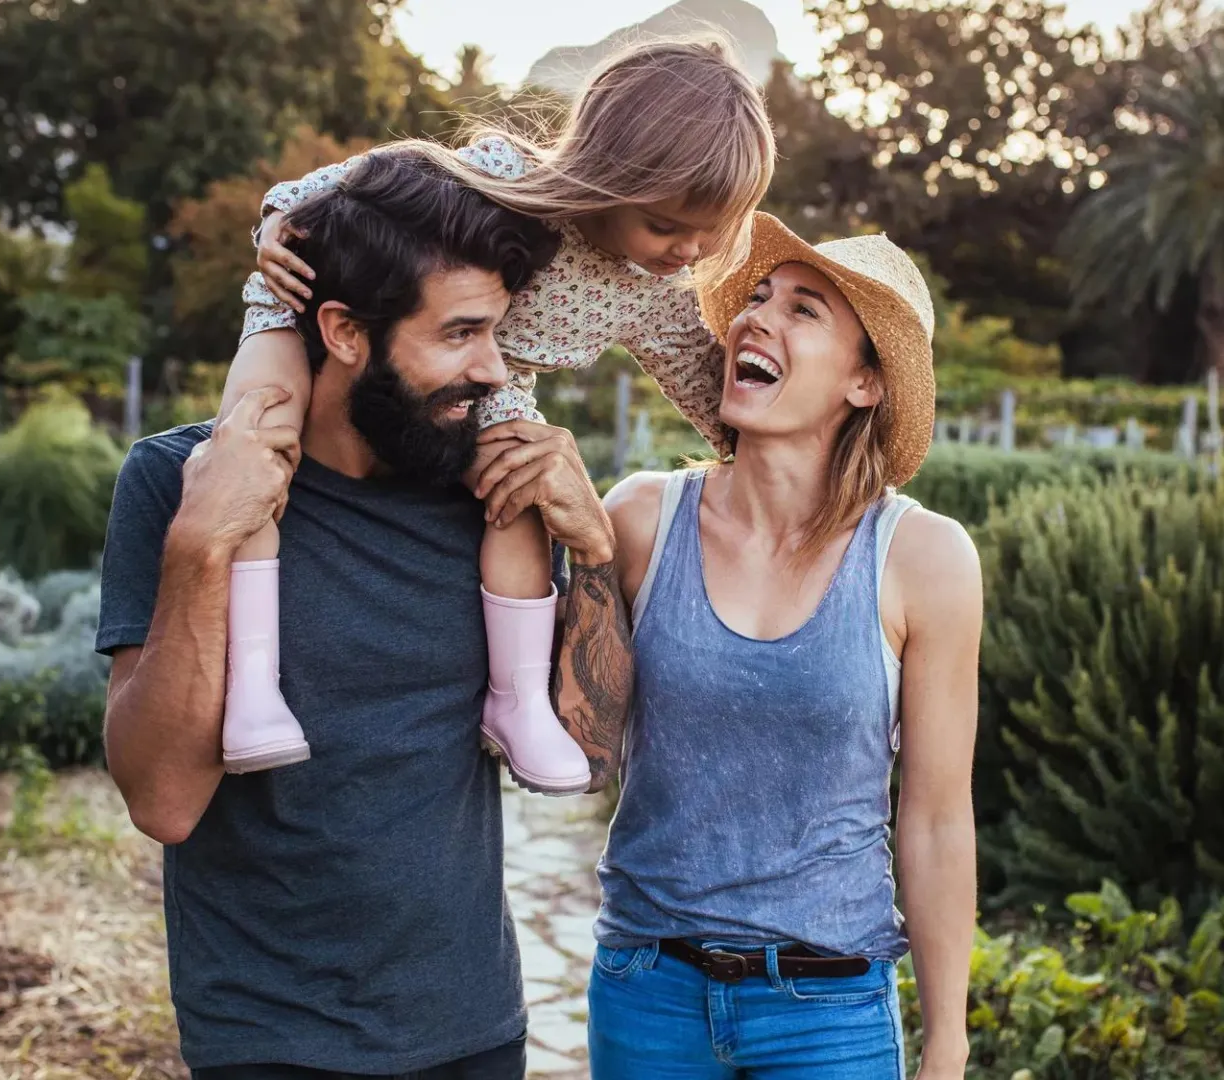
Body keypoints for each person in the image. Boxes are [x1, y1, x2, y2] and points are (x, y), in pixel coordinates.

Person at [92, 146, 635, 1079]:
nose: (492, 368)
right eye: (460, 333)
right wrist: (197, 549)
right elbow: (165, 801)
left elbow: (593, 749)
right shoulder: (175, 481)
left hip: (472, 1030)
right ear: (344, 331)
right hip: (269, 1041)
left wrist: (591, 550)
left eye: (496, 330)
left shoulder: (487, 494)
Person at [214, 35, 774, 796]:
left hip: (477, 387)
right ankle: (249, 683)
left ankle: (513, 703)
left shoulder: (652, 289)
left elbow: (707, 388)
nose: (690, 249)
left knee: (520, 486)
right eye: (668, 224)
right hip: (308, 311)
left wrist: (785, 455)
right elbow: (342, 184)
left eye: (713, 230)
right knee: (256, 439)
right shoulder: (502, 177)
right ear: (606, 174)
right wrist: (280, 228)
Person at [582, 212, 982, 1079]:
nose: (757, 319)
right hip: (647, 989)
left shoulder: (923, 560)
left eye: (805, 310)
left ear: (866, 382)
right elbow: (562, 736)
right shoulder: (642, 521)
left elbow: (939, 817)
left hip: (829, 1012)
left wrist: (947, 1042)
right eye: (756, 298)